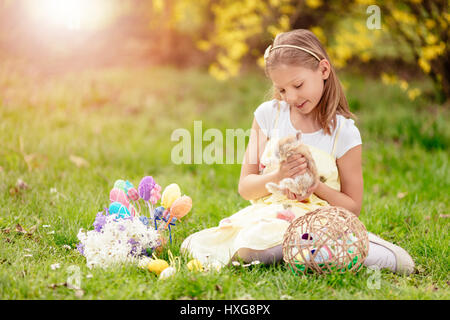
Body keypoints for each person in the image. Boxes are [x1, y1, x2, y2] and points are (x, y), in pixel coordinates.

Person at [181, 29, 415, 275]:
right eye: (282, 90)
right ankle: (316, 253)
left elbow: (352, 207)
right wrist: (277, 176)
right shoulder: (267, 116)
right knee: (208, 245)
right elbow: (246, 187)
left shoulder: (344, 133)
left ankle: (341, 247)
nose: (290, 97)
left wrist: (316, 187)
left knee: (259, 247)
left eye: (298, 85)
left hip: (320, 222)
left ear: (323, 70)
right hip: (271, 218)